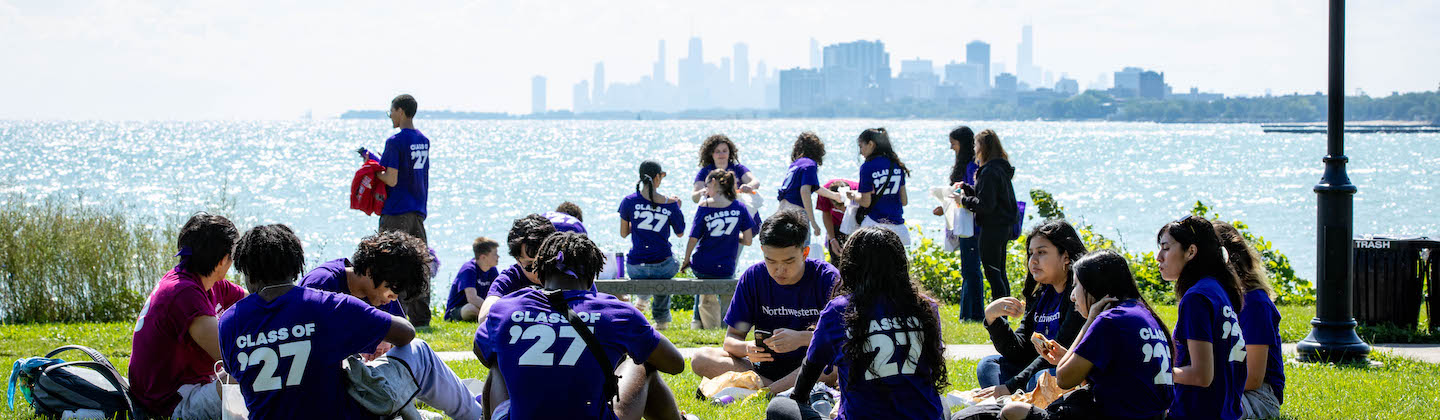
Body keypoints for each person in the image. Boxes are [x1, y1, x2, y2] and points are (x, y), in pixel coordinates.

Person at [219, 224, 481, 420]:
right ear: (296, 265)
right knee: (419, 351)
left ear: (247, 272)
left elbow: (237, 372)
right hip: (339, 412)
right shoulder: (327, 303)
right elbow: (405, 333)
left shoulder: (229, 321)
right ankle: (477, 414)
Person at [473, 232, 689, 420]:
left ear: (539, 273)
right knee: (644, 362)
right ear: (593, 276)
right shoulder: (617, 313)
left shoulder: (505, 308)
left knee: (497, 364)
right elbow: (675, 364)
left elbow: (480, 350)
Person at [766, 227, 948, 420]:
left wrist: (799, 403)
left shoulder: (839, 310)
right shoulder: (925, 307)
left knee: (779, 407)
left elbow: (807, 378)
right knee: (941, 403)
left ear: (850, 266)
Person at [977, 250, 1175, 420]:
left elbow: (1063, 379)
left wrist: (1088, 323)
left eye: (1076, 286)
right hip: (1152, 415)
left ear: (1094, 287)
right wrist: (1067, 358)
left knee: (1013, 411)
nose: (1072, 296)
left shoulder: (1108, 320)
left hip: (1116, 414)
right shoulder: (1142, 313)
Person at [690, 210, 840, 393]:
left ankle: (765, 392)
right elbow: (731, 340)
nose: (779, 270)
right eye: (771, 261)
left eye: (788, 261)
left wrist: (801, 339)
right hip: (763, 369)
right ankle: (776, 389)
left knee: (833, 367)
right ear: (762, 252)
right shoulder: (753, 277)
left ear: (805, 252)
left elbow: (842, 339)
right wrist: (747, 348)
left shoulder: (828, 278)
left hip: (810, 365)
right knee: (701, 358)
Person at [129, 213, 247, 419]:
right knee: (255, 369)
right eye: (233, 257)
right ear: (221, 261)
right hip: (173, 403)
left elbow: (256, 303)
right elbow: (230, 355)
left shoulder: (206, 282)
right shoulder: (184, 293)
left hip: (192, 385)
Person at [974, 220, 1088, 398]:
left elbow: (1056, 354)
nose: (1033, 261)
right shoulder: (1040, 296)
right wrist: (993, 319)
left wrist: (1010, 387)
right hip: (1031, 374)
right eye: (1030, 253)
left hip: (1064, 373)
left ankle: (1016, 402)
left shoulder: (1078, 297)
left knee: (1041, 378)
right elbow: (1018, 351)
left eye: (1041, 252)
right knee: (988, 365)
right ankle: (1019, 402)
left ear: (1065, 256)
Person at [1157, 215, 1247, 420]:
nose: (1158, 257)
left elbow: (1201, 375)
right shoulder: (1218, 289)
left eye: (1166, 247)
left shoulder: (1196, 298)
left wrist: (1155, 372)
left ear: (1190, 251)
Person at [372, 94, 434, 327]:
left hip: (396, 210)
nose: (390, 116)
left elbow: (391, 179)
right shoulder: (423, 140)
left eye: (391, 111)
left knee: (389, 263)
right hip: (417, 209)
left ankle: (391, 313)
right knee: (419, 264)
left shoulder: (394, 141)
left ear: (400, 111)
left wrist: (372, 168)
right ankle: (421, 317)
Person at [1215, 221, 1285, 419]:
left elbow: (1254, 378)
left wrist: (1208, 385)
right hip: (1228, 388)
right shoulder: (1217, 299)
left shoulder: (1255, 303)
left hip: (1259, 396)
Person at [681, 170, 756, 329]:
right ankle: (726, 326)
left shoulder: (705, 206)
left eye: (707, 185)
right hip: (726, 267)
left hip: (703, 266)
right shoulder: (740, 207)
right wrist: (731, 236)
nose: (706, 190)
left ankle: (706, 324)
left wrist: (686, 259)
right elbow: (748, 241)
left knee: (706, 290)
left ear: (714, 182)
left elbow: (693, 237)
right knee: (727, 292)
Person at [298, 230, 429, 320]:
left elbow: (403, 337)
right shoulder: (320, 285)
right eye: (394, 287)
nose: (394, 297)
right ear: (371, 270)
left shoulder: (382, 296)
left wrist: (389, 338)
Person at [620, 161, 687, 330]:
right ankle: (662, 320)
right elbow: (680, 233)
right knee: (666, 267)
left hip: (637, 266)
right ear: (657, 177)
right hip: (663, 266)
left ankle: (642, 299)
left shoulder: (628, 201)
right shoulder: (669, 203)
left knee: (649, 270)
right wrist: (677, 207)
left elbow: (623, 233)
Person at [959, 129, 1017, 300]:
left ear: (982, 148)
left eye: (976, 145)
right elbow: (990, 196)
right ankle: (1005, 309)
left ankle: (999, 312)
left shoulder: (988, 171)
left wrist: (963, 200)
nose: (974, 149)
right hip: (1004, 226)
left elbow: (985, 205)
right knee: (1000, 271)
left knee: (993, 272)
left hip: (992, 227)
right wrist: (969, 189)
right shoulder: (1000, 169)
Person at [944, 126, 986, 322]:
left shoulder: (971, 167)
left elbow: (971, 195)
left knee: (971, 271)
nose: (952, 147)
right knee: (969, 270)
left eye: (954, 143)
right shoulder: (969, 165)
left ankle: (974, 314)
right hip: (965, 223)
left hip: (971, 226)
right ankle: (967, 313)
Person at [845, 128, 910, 245]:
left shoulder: (868, 167)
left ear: (871, 144)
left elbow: (866, 202)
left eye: (861, 146)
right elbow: (904, 201)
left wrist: (853, 195)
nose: (860, 151)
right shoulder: (896, 165)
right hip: (899, 229)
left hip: (874, 226)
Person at [692, 134, 762, 229]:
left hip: (737, 212)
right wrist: (703, 192)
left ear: (730, 152)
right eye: (717, 152)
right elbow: (694, 197)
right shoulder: (705, 172)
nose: (721, 154)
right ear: (711, 154)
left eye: (724, 151)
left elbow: (755, 182)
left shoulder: (738, 169)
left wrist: (748, 186)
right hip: (715, 216)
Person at [775, 132, 825, 238]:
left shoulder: (795, 165)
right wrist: (813, 222)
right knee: (801, 252)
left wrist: (834, 196)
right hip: (796, 215)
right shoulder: (810, 164)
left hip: (781, 212)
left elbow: (815, 187)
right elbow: (805, 191)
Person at [444, 236, 501, 322]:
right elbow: (472, 298)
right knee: (471, 309)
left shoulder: (492, 270)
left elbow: (499, 293)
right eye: (495, 254)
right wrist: (493, 310)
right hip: (458, 309)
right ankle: (487, 316)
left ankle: (486, 316)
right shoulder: (469, 269)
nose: (498, 256)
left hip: (480, 306)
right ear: (483, 257)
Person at [814, 179, 857, 266]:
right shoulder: (824, 193)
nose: (844, 210)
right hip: (835, 224)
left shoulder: (857, 189)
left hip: (855, 223)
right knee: (837, 258)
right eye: (839, 207)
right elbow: (826, 214)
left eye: (845, 206)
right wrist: (832, 240)